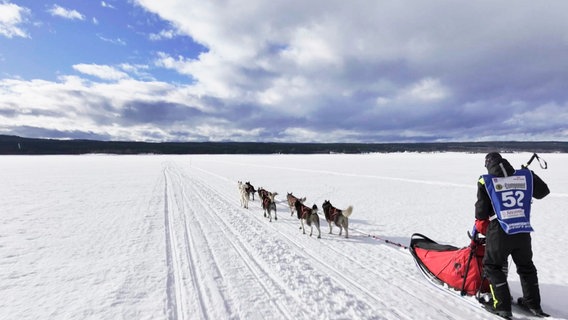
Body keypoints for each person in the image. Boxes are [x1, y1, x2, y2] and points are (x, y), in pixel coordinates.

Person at [473, 152, 550, 318]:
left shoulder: (485, 181)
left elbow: (481, 212)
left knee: (493, 266)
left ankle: (502, 306)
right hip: (522, 229)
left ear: (488, 165)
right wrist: (529, 176)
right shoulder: (525, 176)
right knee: (526, 266)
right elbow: (543, 192)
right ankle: (533, 304)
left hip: (499, 230)